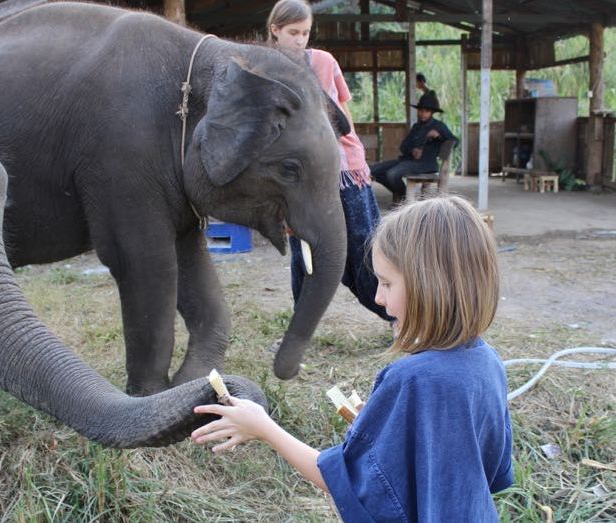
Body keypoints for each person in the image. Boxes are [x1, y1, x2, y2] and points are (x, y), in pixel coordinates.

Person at [192, 196, 515, 522]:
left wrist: (263, 427)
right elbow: (482, 466)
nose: (377, 297)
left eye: (387, 283)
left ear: (430, 286)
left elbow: (345, 479)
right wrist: (385, 425)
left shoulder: (412, 379)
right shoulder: (489, 363)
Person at [266, 0, 392, 322]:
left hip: (344, 170)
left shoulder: (323, 61)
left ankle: (396, 317)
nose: (300, 39)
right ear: (275, 30)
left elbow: (345, 119)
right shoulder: (265, 71)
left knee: (364, 245)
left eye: (305, 32)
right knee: (304, 252)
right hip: (302, 177)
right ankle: (301, 326)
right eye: (293, 32)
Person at [370, 91, 457, 202]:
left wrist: (439, 135)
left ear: (432, 112)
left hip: (426, 164)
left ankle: (404, 197)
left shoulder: (439, 126)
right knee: (373, 170)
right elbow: (403, 146)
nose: (423, 113)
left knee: (392, 174)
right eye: (421, 110)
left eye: (426, 111)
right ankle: (402, 193)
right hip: (407, 161)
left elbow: (454, 141)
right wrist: (413, 150)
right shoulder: (416, 127)